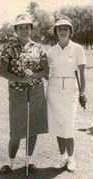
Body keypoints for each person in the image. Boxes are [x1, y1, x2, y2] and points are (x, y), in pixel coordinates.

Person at [0, 13, 48, 174]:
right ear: (16, 29)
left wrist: (34, 76)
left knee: (32, 128)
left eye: (27, 27)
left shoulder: (39, 47)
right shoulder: (8, 47)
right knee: (16, 130)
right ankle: (10, 162)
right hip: (17, 93)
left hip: (36, 93)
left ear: (31, 29)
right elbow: (3, 72)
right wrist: (21, 80)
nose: (24, 30)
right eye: (20, 27)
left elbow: (46, 70)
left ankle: (29, 161)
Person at [46, 15, 87, 172]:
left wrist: (82, 93)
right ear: (55, 31)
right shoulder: (50, 50)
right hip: (53, 91)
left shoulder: (78, 48)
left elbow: (82, 74)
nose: (62, 31)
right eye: (59, 29)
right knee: (57, 126)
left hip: (70, 91)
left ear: (70, 31)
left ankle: (71, 159)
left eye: (65, 28)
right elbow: (44, 70)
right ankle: (63, 157)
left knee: (68, 126)